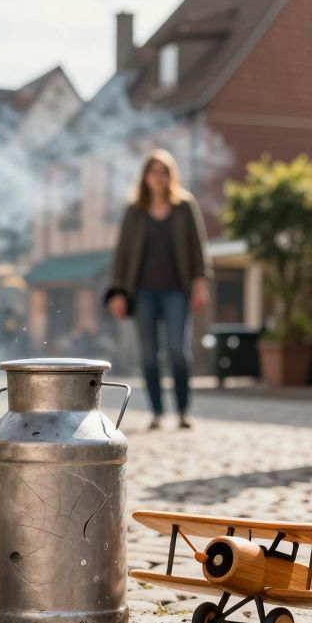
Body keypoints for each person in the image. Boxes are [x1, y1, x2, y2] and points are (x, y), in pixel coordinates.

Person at [106, 149, 212, 431]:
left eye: (164, 172)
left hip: (176, 290)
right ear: (146, 177)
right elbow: (122, 254)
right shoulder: (134, 211)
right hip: (143, 293)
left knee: (178, 350)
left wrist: (200, 282)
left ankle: (183, 411)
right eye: (154, 172)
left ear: (171, 176)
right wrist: (117, 291)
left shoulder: (185, 206)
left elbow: (198, 247)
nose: (159, 178)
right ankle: (156, 412)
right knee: (149, 354)